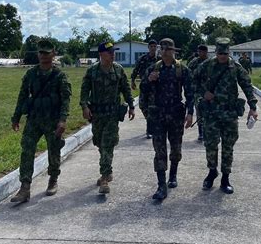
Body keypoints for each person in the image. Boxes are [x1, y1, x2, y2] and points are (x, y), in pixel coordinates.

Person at [10, 39, 72, 203]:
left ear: (53, 54)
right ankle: (25, 187)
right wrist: (16, 117)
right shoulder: (30, 74)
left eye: (47, 53)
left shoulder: (60, 76)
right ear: (38, 54)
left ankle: (53, 179)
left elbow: (66, 100)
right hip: (34, 119)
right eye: (41, 53)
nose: (44, 56)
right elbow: (22, 96)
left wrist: (63, 120)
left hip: (52, 120)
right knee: (27, 149)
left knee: (53, 150)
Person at [194, 38, 258, 194]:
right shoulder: (207, 65)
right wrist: (204, 93)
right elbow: (193, 80)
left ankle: (225, 178)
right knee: (210, 144)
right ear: (215, 52)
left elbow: (247, 85)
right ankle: (212, 172)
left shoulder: (235, 67)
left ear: (229, 52)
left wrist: (253, 106)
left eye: (225, 53)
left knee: (228, 146)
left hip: (229, 113)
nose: (222, 56)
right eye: (220, 53)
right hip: (211, 113)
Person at [140, 38, 194, 201]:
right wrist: (149, 80)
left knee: (176, 149)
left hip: (176, 115)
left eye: (167, 49)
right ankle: (161, 185)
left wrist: (190, 113)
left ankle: (173, 174)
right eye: (161, 49)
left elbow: (190, 92)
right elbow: (142, 88)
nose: (164, 52)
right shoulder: (153, 68)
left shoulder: (181, 69)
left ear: (173, 51)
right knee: (159, 150)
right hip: (158, 116)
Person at [80, 41, 135, 194]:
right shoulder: (92, 71)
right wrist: (84, 106)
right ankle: (107, 171)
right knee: (99, 143)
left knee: (107, 144)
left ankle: (104, 177)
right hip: (97, 115)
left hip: (112, 115)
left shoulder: (118, 69)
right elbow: (84, 91)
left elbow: (125, 89)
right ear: (101, 54)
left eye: (113, 52)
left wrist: (131, 106)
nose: (113, 54)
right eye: (109, 52)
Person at [131, 39, 158, 139]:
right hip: (144, 86)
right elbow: (136, 69)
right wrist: (132, 80)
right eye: (151, 46)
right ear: (148, 48)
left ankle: (150, 129)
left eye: (154, 46)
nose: (153, 48)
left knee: (152, 107)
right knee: (142, 105)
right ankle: (149, 121)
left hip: (155, 88)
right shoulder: (142, 59)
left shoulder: (159, 59)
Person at [187, 44, 209, 141]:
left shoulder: (211, 62)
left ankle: (210, 132)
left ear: (206, 52)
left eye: (203, 52)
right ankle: (201, 133)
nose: (201, 53)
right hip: (198, 91)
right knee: (199, 111)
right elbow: (188, 74)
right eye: (199, 52)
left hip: (210, 91)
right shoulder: (194, 62)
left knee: (210, 112)